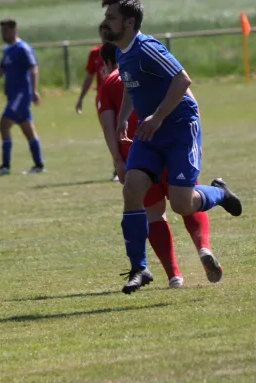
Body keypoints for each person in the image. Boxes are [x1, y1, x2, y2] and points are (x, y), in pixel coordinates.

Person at [101, 0, 243, 295]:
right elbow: (131, 83)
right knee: (132, 188)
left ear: (128, 23)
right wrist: (125, 117)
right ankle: (140, 268)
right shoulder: (121, 52)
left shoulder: (148, 47)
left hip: (178, 128)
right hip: (149, 134)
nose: (106, 21)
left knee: (181, 204)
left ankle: (220, 193)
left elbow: (183, 79)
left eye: (111, 17)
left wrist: (158, 116)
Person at [98, 42, 221, 289]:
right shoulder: (150, 64)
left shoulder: (110, 82)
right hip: (175, 139)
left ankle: (174, 275)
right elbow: (186, 93)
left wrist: (118, 161)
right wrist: (194, 137)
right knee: (186, 199)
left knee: (154, 212)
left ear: (107, 63)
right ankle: (203, 247)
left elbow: (108, 126)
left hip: (141, 153)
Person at [0, 19, 45, 176]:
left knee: (4, 124)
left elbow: (33, 69)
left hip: (21, 95)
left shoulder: (22, 49)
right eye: (1, 31)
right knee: (28, 130)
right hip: (13, 96)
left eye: (5, 31)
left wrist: (34, 91)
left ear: (14, 30)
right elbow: (1, 70)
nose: (3, 34)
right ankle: (38, 165)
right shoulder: (8, 50)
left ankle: (5, 166)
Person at [75, 25, 119, 182]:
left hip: (120, 96)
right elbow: (89, 77)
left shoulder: (120, 50)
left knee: (123, 131)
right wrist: (80, 98)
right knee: (110, 132)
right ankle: (117, 167)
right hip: (103, 99)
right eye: (103, 34)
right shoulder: (95, 53)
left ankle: (127, 166)